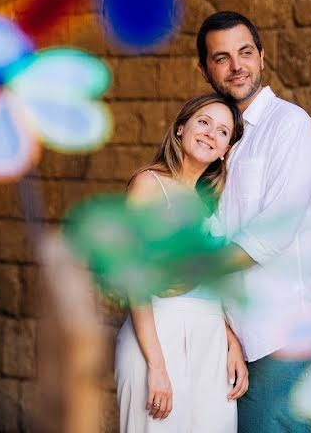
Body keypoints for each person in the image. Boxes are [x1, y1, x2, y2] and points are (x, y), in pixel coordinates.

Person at [196, 12, 311, 433]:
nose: (236, 66)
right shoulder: (215, 141)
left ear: (262, 57)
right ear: (204, 69)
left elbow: (270, 235)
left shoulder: (291, 127)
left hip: (280, 334)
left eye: (245, 52)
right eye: (222, 57)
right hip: (233, 335)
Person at [114, 93, 248, 433]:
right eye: (203, 122)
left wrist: (230, 340)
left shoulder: (212, 202)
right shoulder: (148, 184)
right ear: (180, 128)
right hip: (157, 334)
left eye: (222, 132)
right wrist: (156, 365)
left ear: (225, 149)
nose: (210, 134)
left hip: (211, 341)